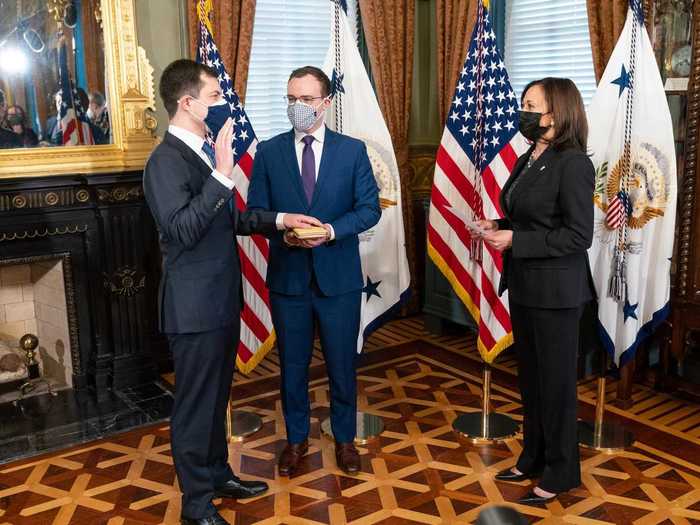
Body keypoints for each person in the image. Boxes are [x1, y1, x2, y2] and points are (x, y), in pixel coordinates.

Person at [143, 59, 321, 525]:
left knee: (217, 400)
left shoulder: (200, 152)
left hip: (219, 302)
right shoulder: (165, 160)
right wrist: (223, 175)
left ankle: (219, 476)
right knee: (195, 408)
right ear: (188, 103)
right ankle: (196, 506)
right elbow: (183, 228)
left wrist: (281, 220)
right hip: (194, 309)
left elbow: (229, 221)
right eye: (216, 97)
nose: (224, 105)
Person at [247, 66, 381, 476]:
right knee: (292, 366)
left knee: (342, 365)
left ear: (326, 102)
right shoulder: (269, 152)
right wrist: (284, 232)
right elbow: (255, 215)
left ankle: (344, 439)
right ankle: (296, 440)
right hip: (289, 280)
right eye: (291, 99)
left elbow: (369, 210)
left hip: (338, 279)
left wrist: (331, 231)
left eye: (305, 99)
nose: (297, 107)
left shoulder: (352, 151)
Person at [473, 77, 595, 504]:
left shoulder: (573, 162)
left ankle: (562, 471)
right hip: (525, 286)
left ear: (556, 113)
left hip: (558, 293)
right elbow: (529, 217)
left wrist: (516, 241)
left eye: (530, 104)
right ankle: (534, 455)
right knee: (532, 381)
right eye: (523, 103)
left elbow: (579, 236)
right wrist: (497, 225)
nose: (522, 111)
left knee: (557, 385)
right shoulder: (532, 156)